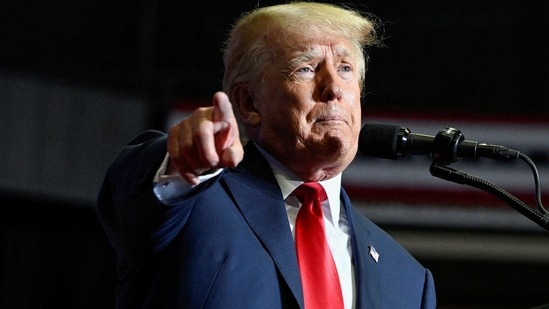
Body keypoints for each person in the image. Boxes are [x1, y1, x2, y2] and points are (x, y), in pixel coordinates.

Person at [96, 2, 436, 308]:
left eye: (346, 68)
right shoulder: (192, 204)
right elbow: (133, 195)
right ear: (248, 103)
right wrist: (182, 162)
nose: (333, 87)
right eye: (306, 68)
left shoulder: (406, 278)